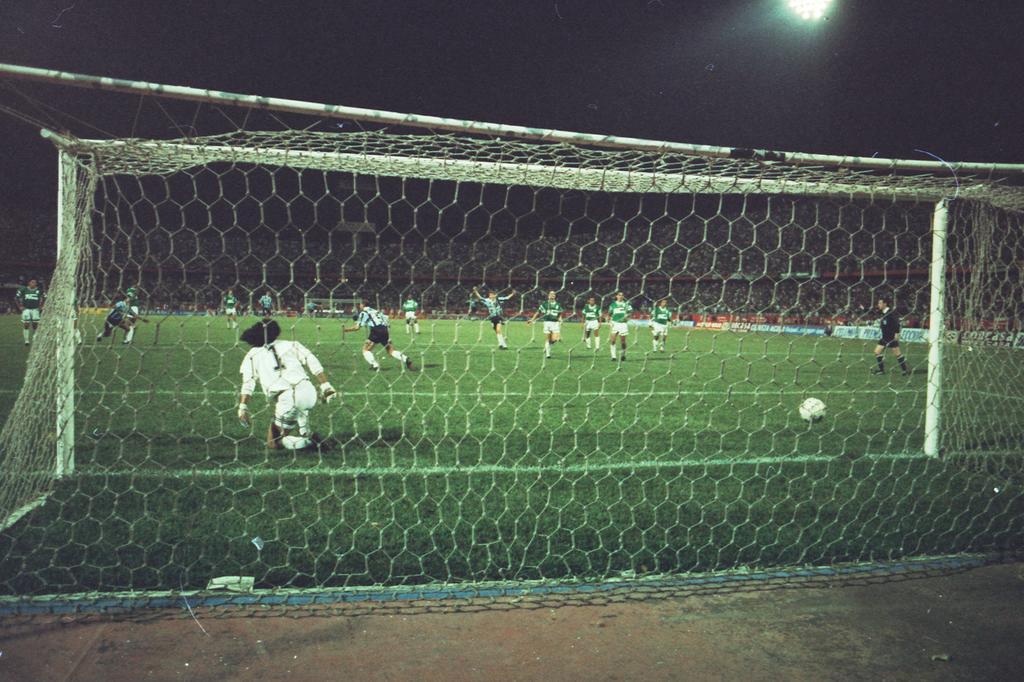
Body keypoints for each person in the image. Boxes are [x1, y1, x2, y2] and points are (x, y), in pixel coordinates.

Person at [238, 319, 336, 451]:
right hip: (308, 390)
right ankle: (304, 431)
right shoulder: (291, 344)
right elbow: (312, 361)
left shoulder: (252, 355)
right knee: (298, 408)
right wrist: (326, 385)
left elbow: (248, 383)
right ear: (276, 333)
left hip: (288, 398)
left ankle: (312, 442)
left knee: (273, 443)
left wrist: (243, 407)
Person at [342, 301, 414, 371]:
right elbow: (386, 320)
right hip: (384, 330)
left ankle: (375, 365)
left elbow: (357, 327)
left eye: (360, 304)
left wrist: (346, 330)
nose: (359, 306)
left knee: (365, 349)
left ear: (363, 305)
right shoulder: (376, 311)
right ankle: (406, 359)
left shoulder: (364, 312)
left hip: (376, 330)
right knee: (391, 351)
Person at [872, 296, 910, 376]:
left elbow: (897, 323)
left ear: (885, 304)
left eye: (880, 303)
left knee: (897, 353)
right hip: (885, 337)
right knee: (877, 352)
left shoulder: (891, 313)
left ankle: (904, 370)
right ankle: (881, 371)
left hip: (891, 336)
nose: (878, 305)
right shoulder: (883, 313)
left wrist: (897, 333)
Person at [472, 286, 516, 350]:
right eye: (490, 295)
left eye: (492, 295)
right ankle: (501, 344)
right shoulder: (487, 300)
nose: (490, 296)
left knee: (498, 330)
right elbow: (480, 298)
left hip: (499, 316)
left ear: (495, 295)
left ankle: (504, 346)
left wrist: (512, 294)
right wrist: (475, 291)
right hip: (492, 318)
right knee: (497, 332)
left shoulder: (499, 299)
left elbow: (507, 298)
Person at [527, 290, 563, 359]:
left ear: (555, 296)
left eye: (553, 294)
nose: (552, 295)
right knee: (547, 338)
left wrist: (560, 319)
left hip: (555, 323)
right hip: (547, 323)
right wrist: (532, 319)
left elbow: (560, 314)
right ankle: (548, 354)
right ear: (548, 295)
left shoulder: (558, 305)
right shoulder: (544, 304)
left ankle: (547, 347)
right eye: (551, 294)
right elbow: (538, 312)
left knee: (555, 339)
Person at [14, 278, 43, 346]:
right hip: (26, 309)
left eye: (35, 282)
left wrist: (42, 306)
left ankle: (35, 338)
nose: (34, 283)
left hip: (35, 309)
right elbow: (16, 298)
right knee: (26, 324)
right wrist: (20, 306)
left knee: (35, 324)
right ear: (29, 283)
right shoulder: (23, 289)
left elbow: (45, 297)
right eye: (32, 282)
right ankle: (26, 340)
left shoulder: (39, 290)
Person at [606, 292, 633, 362]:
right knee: (612, 340)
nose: (620, 296)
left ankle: (623, 355)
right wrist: (609, 321)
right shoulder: (613, 305)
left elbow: (630, 312)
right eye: (619, 295)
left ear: (623, 297)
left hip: (623, 324)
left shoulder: (626, 304)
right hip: (615, 323)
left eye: (622, 295)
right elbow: (609, 314)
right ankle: (613, 357)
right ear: (616, 296)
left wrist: (627, 317)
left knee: (623, 341)